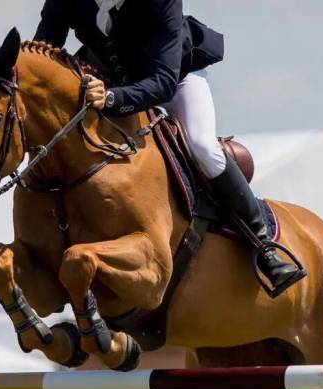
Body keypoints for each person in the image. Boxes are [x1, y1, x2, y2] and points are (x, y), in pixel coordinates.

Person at [34, 0, 301, 290]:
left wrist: (111, 98)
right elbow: (42, 53)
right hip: (105, 76)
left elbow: (163, 81)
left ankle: (264, 245)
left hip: (172, 78)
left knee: (202, 147)